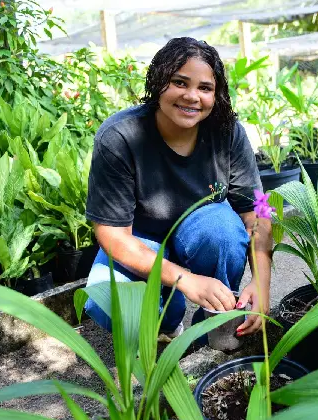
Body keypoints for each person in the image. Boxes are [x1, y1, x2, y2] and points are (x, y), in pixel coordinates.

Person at [83, 37, 272, 338]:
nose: (192, 96)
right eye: (180, 83)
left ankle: (215, 320)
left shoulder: (228, 133)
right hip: (142, 240)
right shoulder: (120, 137)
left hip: (199, 232)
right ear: (159, 82)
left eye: (205, 88)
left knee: (222, 228)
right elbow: (112, 235)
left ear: (216, 94)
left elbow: (259, 210)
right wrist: (186, 280)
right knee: (107, 301)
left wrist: (262, 283)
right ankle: (168, 323)